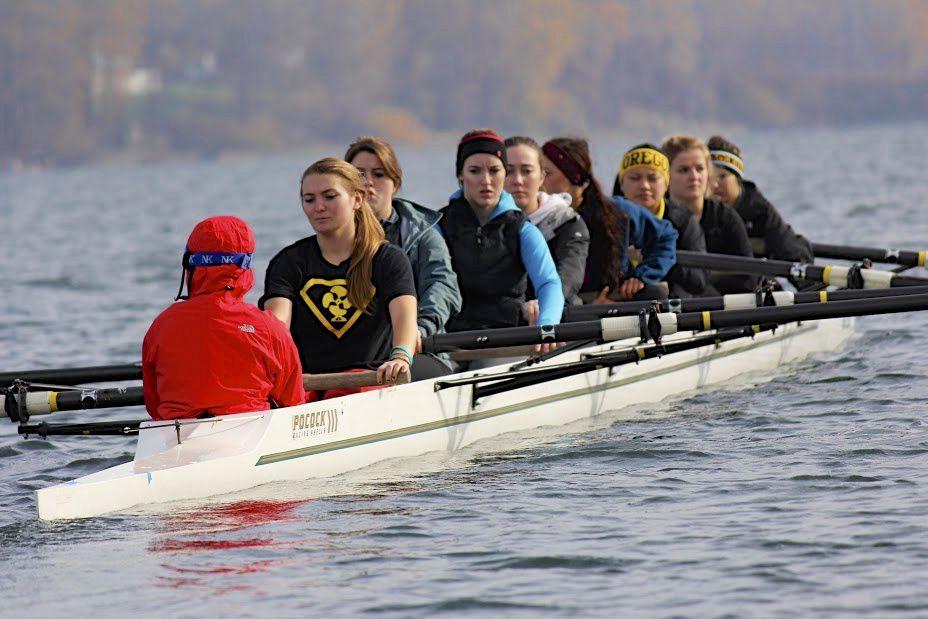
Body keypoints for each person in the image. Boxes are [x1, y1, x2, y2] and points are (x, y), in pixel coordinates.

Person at [260, 158, 417, 398]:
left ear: (357, 199)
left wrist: (400, 356)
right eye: (309, 199)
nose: (318, 207)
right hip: (307, 383)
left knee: (343, 391)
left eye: (329, 196)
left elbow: (405, 316)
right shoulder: (288, 262)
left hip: (371, 380)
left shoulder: (388, 259)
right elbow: (277, 325)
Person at [142, 216, 305, 420]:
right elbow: (293, 403)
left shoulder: (160, 326)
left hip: (175, 438)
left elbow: (153, 404)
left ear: (190, 267)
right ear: (245, 268)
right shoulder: (270, 328)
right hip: (248, 434)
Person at [345, 136, 461, 379]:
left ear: (395, 183)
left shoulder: (423, 236)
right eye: (359, 174)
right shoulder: (333, 237)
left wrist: (420, 328)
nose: (368, 183)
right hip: (356, 354)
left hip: (416, 351)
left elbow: (443, 287)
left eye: (378, 174)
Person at [439, 129, 564, 334]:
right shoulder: (438, 227)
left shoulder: (523, 229)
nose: (486, 180)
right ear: (460, 175)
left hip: (506, 338)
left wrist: (547, 326)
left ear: (504, 173)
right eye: (475, 171)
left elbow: (548, 283)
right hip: (449, 339)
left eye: (494, 171)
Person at [541, 136, 677, 303]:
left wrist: (641, 277)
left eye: (547, 173)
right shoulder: (532, 214)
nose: (539, 179)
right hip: (559, 305)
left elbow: (665, 236)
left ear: (574, 177)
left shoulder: (617, 212)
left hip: (609, 304)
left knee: (655, 294)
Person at [661, 135, 755, 295]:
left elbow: (749, 279)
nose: (694, 177)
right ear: (666, 176)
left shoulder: (725, 217)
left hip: (723, 307)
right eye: (684, 170)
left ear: (708, 173)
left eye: (699, 169)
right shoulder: (656, 218)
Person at [613, 143, 708, 298]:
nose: (644, 186)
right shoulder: (608, 218)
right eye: (635, 178)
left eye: (652, 178)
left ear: (666, 184)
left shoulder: (683, 221)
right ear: (622, 184)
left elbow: (699, 281)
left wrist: (657, 259)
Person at [504, 135, 590, 307]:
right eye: (508, 171)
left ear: (542, 177)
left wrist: (546, 303)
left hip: (552, 313)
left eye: (527, 171)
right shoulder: (482, 224)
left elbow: (569, 274)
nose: (518, 180)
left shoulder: (566, 222)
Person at [707, 135, 814, 263]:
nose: (715, 184)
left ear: (738, 179)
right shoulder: (694, 202)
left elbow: (793, 252)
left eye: (722, 176)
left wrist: (765, 246)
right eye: (709, 177)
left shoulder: (758, 209)